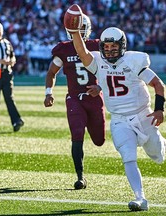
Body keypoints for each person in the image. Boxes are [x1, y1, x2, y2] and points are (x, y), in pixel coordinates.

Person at [65, 6, 166, 211]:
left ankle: (162, 144)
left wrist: (159, 109)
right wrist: (76, 33)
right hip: (120, 119)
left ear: (122, 46)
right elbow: (81, 52)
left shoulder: (134, 60)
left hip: (143, 114)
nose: (110, 51)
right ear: (102, 47)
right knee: (128, 157)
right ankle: (140, 198)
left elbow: (158, 84)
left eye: (114, 47)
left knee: (157, 156)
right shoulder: (98, 62)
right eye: (107, 47)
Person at [44, 14, 105, 190]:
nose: (79, 31)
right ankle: (80, 177)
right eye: (76, 28)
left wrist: (100, 88)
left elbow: (110, 70)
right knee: (77, 134)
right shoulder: (63, 49)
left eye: (81, 28)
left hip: (94, 99)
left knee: (99, 140)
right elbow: (51, 73)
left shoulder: (96, 46)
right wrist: (49, 93)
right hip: (74, 99)